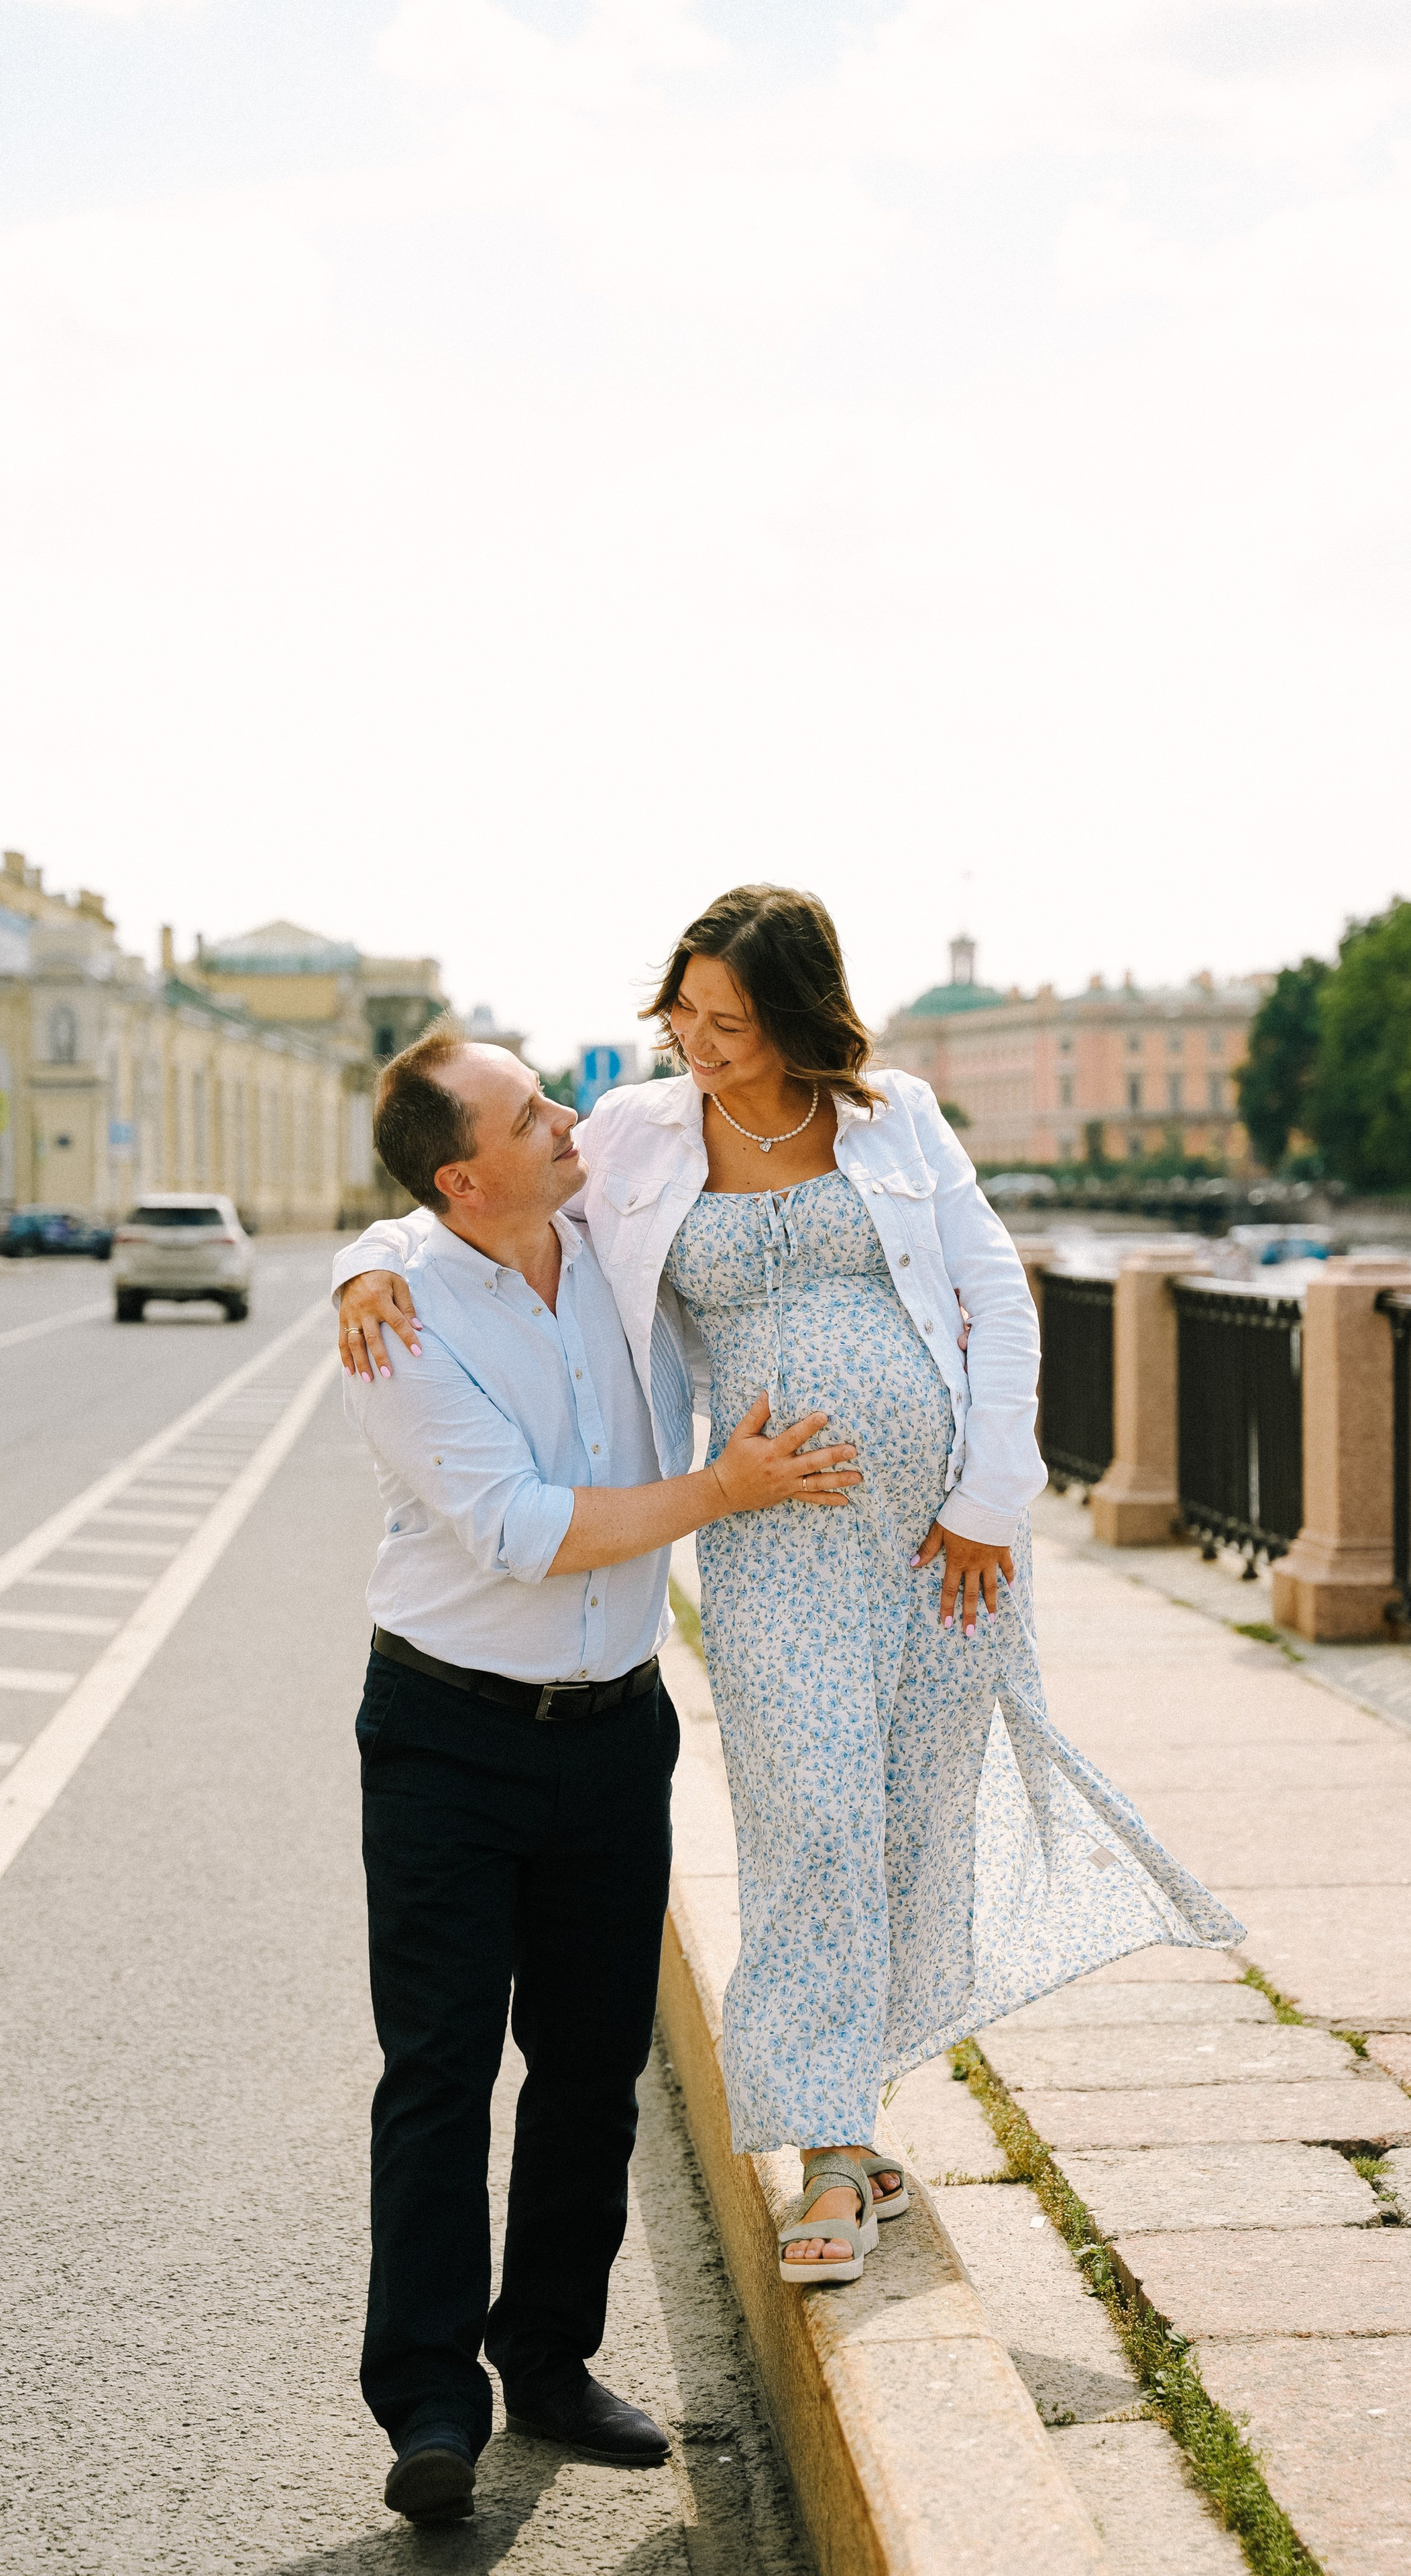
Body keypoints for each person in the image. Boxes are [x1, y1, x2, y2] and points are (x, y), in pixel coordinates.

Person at [338, 887, 1242, 2287]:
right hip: (774, 1536)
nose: (695, 1041)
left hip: (942, 1539)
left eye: (728, 1020)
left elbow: (993, 1296)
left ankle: (845, 2119)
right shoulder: (637, 1132)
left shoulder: (897, 1116)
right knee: (810, 1813)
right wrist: (362, 1262)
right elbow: (462, 1204)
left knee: (904, 1822)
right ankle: (824, 2141)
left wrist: (989, 1498)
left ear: (796, 1016)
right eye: (681, 1014)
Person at [341, 1024, 860, 2527]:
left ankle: (549, 2361)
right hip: (446, 1736)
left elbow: (745, 1120)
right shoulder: (403, 1323)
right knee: (438, 2073)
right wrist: (722, 1490)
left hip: (614, 1728)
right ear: (462, 1175)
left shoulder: (604, 1212)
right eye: (528, 1112)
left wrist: (354, 1242)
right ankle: (430, 2400)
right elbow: (516, 1527)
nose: (566, 1119)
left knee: (587, 2072)